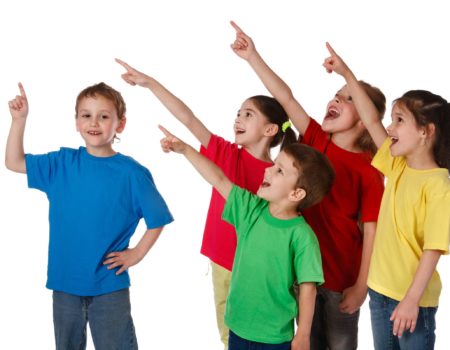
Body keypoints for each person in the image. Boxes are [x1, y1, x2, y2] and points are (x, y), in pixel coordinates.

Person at [116, 58, 297, 348]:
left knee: (254, 332)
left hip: (253, 268)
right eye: (238, 113)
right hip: (220, 261)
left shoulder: (277, 174)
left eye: (248, 114)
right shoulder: (226, 153)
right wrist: (149, 83)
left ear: (270, 130)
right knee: (227, 334)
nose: (238, 119)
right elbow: (187, 118)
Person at [230, 22, 386, 350]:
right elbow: (285, 97)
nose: (336, 99)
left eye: (347, 99)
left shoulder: (371, 170)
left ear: (363, 119)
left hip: (342, 280)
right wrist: (252, 56)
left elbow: (371, 231)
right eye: (336, 96)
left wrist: (361, 286)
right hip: (303, 278)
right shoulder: (316, 139)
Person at [5, 82, 174, 350]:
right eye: (86, 115)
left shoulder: (133, 174)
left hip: (109, 286)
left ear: (120, 124)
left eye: (104, 116)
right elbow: (14, 162)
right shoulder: (61, 163)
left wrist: (136, 254)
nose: (94, 122)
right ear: (76, 121)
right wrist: (19, 120)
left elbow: (158, 219)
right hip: (64, 284)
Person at [159, 124, 334, 349]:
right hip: (237, 327)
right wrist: (185, 149)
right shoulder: (251, 209)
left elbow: (308, 288)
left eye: (279, 170)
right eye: (274, 165)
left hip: (274, 337)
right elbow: (219, 179)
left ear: (296, 193)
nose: (268, 170)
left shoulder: (302, 235)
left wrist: (303, 335)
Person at [322, 44, 450, 350]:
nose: (389, 127)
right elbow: (370, 118)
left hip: (411, 302)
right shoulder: (396, 165)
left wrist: (410, 301)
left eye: (399, 121)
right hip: (379, 294)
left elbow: (433, 250)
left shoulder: (438, 185)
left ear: (426, 132)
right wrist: (347, 73)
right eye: (391, 120)